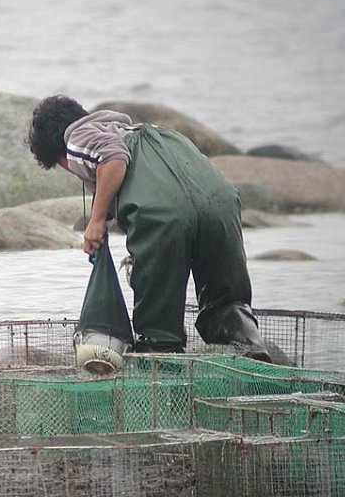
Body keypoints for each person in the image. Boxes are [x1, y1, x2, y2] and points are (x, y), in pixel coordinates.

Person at [26, 95, 272, 361]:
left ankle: (165, 382)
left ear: (58, 152)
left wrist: (96, 221)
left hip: (164, 216)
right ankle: (252, 351)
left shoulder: (75, 136)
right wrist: (105, 214)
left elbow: (112, 158)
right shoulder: (155, 134)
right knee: (226, 304)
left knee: (158, 331)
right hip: (222, 205)